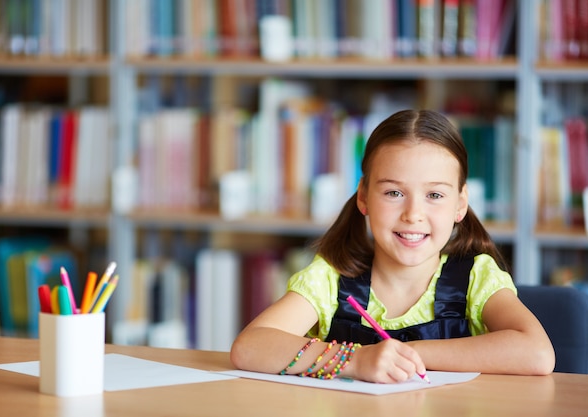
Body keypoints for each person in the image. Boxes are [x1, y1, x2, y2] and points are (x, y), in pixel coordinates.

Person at [230, 109, 555, 383]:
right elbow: (250, 347)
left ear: (460, 205)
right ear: (363, 197)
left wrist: (406, 354)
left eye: (435, 195)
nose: (413, 214)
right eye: (393, 193)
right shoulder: (331, 278)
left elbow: (537, 354)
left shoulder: (475, 276)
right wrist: (357, 360)